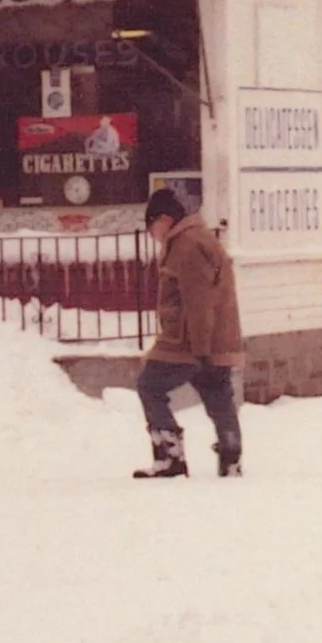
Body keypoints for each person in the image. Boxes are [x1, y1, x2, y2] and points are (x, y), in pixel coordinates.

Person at [134, 187, 245, 478]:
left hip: (187, 339)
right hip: (213, 336)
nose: (153, 235)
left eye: (151, 227)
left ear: (165, 219)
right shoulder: (199, 238)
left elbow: (198, 301)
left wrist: (200, 349)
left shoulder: (186, 245)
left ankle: (170, 456)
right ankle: (231, 455)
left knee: (149, 385)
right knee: (216, 391)